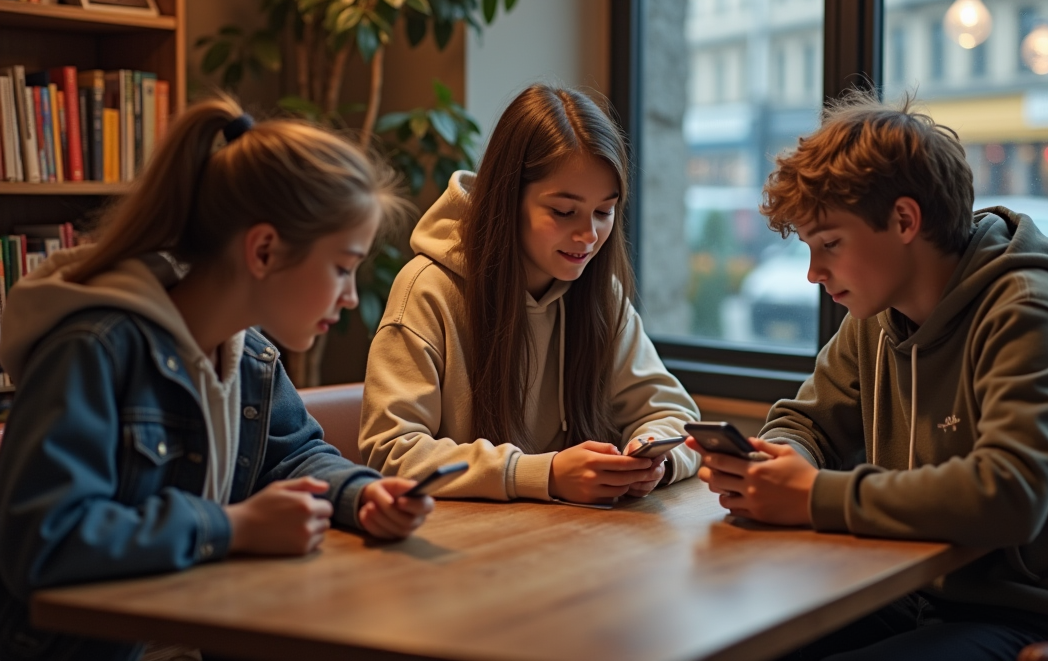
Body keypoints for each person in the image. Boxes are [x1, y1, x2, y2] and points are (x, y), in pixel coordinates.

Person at [689, 91, 1048, 660]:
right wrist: (781, 463)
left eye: (829, 243)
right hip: (925, 589)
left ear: (905, 219)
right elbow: (805, 421)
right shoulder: (879, 313)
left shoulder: (1028, 309)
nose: (813, 273)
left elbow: (1011, 495)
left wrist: (812, 496)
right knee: (743, 641)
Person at [0, 95, 435, 661]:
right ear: (264, 250)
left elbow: (294, 455)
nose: (351, 297)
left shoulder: (248, 354)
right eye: (342, 267)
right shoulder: (95, 350)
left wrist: (361, 493)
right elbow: (44, 540)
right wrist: (233, 527)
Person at [360, 84, 701, 504]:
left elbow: (675, 417)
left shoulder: (599, 293)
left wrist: (654, 457)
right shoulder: (428, 289)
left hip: (569, 544)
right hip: (464, 552)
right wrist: (544, 474)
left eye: (603, 211)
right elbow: (390, 452)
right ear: (507, 199)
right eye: (563, 211)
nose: (588, 235)